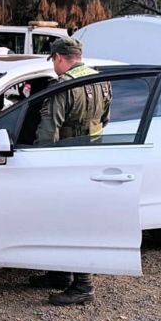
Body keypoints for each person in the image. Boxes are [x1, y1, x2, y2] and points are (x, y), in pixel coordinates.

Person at [28, 37, 112, 306]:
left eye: (53, 61)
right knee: (70, 219)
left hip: (65, 161)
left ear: (58, 58)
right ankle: (61, 274)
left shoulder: (63, 86)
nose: (54, 66)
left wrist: (39, 166)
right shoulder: (102, 81)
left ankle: (83, 285)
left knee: (70, 221)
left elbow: (47, 131)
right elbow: (105, 121)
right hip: (91, 158)